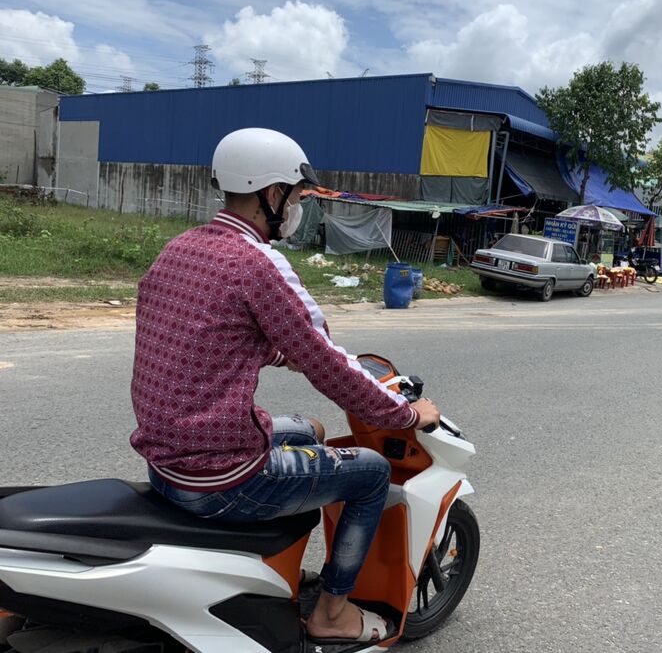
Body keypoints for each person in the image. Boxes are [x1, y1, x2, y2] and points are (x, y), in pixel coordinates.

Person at [130, 128, 439, 645]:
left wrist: (274, 352)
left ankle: (284, 571)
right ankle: (333, 615)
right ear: (271, 193)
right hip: (220, 478)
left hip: (167, 458)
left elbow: (203, 333)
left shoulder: (180, 248)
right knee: (370, 473)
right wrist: (407, 416)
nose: (298, 207)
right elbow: (332, 366)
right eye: (296, 196)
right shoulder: (258, 264)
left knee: (311, 428)